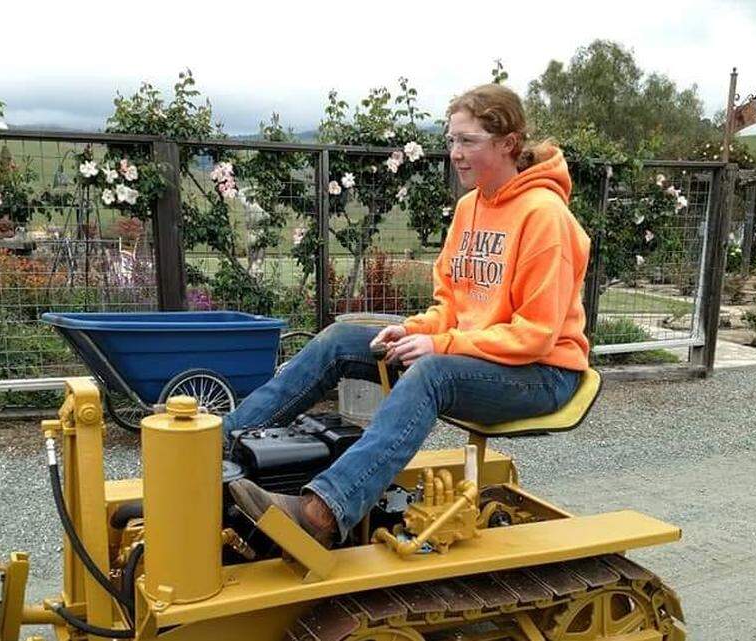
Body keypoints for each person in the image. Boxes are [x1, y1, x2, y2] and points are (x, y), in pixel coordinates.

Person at [226, 83, 591, 547]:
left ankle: (322, 513)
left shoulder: (545, 216)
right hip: (479, 356)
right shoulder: (470, 207)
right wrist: (414, 330)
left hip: (543, 373)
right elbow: (452, 306)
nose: (455, 154)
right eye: (451, 140)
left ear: (509, 144)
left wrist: (439, 345)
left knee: (431, 374)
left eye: (468, 141)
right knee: (342, 338)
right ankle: (217, 451)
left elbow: (535, 335)